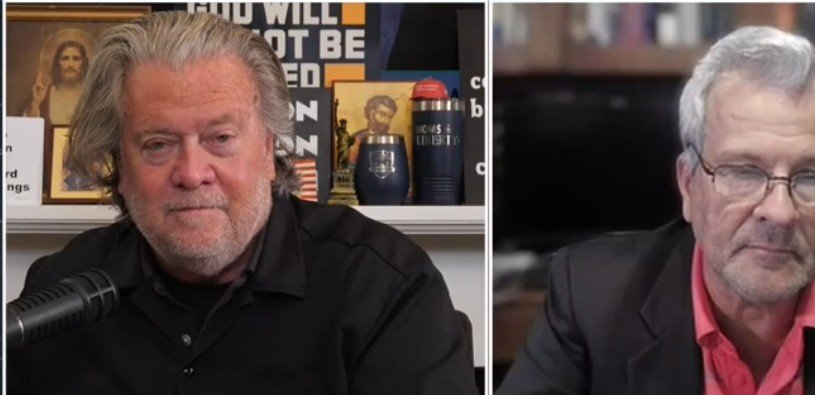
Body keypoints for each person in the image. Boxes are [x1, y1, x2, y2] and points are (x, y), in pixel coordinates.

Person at [9, 11, 477, 395]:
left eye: (221, 138)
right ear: (118, 162)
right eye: (157, 145)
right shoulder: (58, 291)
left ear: (270, 149)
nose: (192, 173)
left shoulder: (385, 287)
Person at [498, 26, 815, 394]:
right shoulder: (591, 297)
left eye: (811, 176)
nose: (780, 212)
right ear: (688, 185)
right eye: (743, 172)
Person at [22, 38, 90, 126]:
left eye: (76, 58)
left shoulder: (92, 94)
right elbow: (27, 128)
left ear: (83, 63)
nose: (70, 64)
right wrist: (36, 102)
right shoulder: (44, 93)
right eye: (65, 58)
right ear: (57, 63)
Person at [349, 95, 398, 166]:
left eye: (390, 117)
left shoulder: (392, 142)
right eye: (382, 114)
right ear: (371, 114)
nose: (386, 121)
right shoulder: (355, 141)